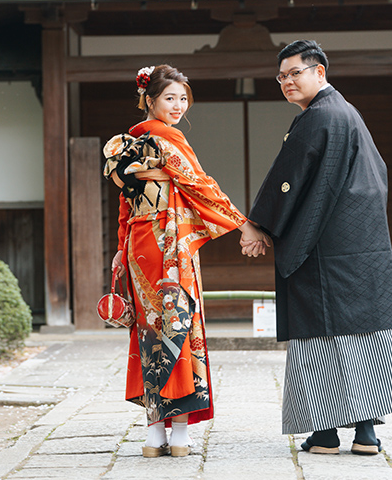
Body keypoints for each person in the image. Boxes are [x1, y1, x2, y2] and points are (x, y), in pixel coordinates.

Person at [243, 39, 392, 455]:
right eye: (281, 76)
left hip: (324, 250)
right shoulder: (347, 113)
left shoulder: (320, 117)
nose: (287, 82)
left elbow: (288, 179)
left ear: (319, 71)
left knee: (320, 337)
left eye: (295, 73)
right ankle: (366, 434)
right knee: (363, 340)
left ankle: (323, 434)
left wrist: (256, 224)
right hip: (361, 247)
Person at [104, 64, 269, 458]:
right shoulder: (168, 139)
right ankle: (178, 433)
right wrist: (243, 224)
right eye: (169, 98)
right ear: (149, 99)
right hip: (170, 244)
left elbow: (126, 205)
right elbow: (201, 186)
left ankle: (152, 435)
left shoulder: (123, 144)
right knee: (180, 324)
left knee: (148, 331)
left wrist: (121, 246)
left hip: (139, 244)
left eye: (183, 99)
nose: (178, 106)